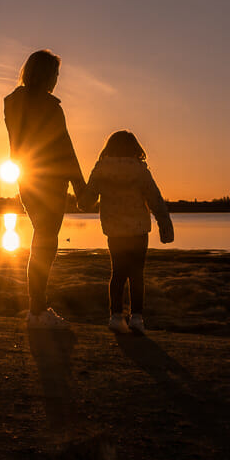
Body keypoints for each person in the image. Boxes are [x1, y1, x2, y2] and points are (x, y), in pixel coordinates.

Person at [3, 49, 88, 329]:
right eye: (55, 74)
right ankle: (38, 310)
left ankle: (37, 308)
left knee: (42, 238)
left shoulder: (12, 103)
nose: (57, 80)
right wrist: (80, 186)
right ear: (45, 74)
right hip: (49, 179)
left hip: (26, 177)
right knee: (46, 242)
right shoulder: (51, 107)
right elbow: (65, 146)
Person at [82, 130, 173, 334]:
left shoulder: (101, 169)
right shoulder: (140, 170)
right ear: (135, 148)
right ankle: (137, 318)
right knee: (136, 274)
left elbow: (87, 200)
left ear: (109, 148)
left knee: (118, 273)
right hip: (138, 229)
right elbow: (155, 199)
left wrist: (80, 197)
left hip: (114, 230)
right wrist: (165, 224)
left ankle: (115, 317)